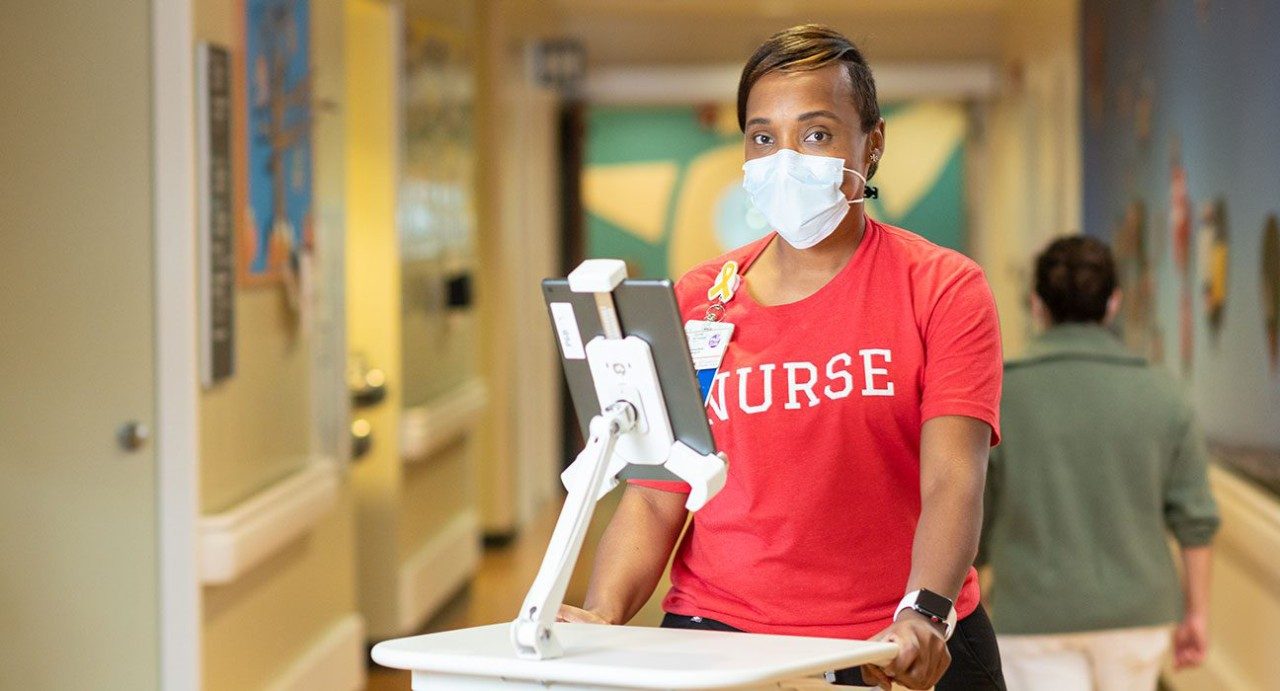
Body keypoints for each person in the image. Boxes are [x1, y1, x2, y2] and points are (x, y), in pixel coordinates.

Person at [559, 25, 1007, 690]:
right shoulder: (697, 300)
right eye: (763, 136)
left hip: (895, 645)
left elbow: (954, 479)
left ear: (872, 143)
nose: (785, 157)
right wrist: (602, 613)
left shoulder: (941, 287)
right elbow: (657, 495)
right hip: (721, 643)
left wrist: (924, 612)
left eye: (817, 133)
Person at [979, 236, 1220, 691]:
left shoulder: (999, 393)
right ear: (1113, 303)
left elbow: (974, 515)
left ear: (1036, 304)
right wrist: (1198, 614)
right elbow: (1196, 519)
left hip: (1032, 613)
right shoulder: (1165, 393)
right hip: (1137, 616)